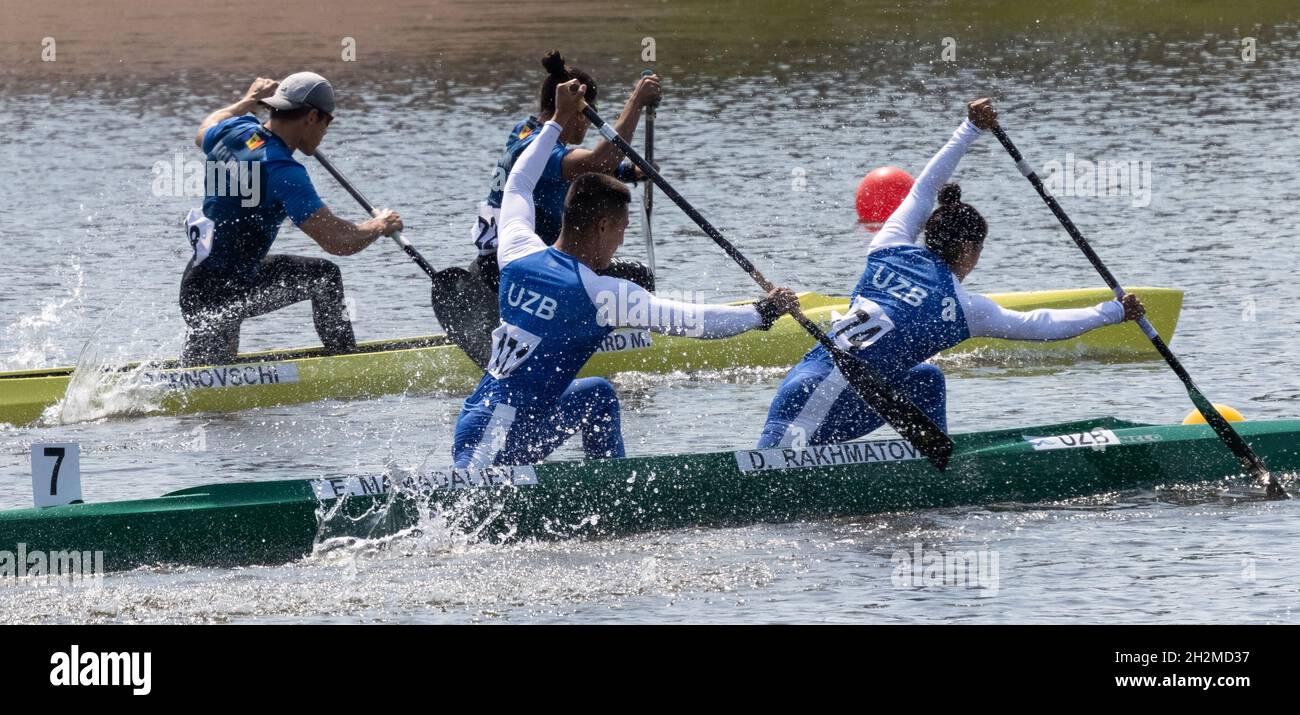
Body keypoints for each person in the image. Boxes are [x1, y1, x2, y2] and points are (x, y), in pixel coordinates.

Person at [757, 98, 1146, 448]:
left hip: (802, 385)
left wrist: (970, 129)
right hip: (819, 402)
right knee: (766, 481)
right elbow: (1040, 325)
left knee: (926, 379)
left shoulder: (888, 245)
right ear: (968, 250)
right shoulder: (961, 308)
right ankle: (931, 474)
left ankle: (934, 462)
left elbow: (922, 190)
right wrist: (1115, 312)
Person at [453, 79, 799, 468]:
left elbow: (519, 182)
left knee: (597, 394)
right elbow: (694, 321)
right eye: (622, 229)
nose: (621, 241)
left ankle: (610, 490)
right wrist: (762, 312)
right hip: (493, 437)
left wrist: (559, 118)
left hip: (491, 422)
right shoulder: (602, 294)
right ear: (602, 227)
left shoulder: (516, 248)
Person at [180, 72, 404, 366]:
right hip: (223, 294)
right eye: (328, 121)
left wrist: (247, 101)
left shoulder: (238, 130)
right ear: (312, 117)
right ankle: (350, 368)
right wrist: (380, 226)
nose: (327, 131)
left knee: (207, 398)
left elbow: (205, 128)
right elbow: (338, 240)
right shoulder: (283, 170)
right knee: (324, 278)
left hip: (203, 282)